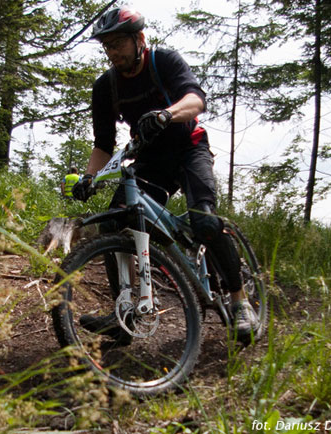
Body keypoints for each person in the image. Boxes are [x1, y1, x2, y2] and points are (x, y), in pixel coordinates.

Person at [71, 6, 259, 343]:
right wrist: (89, 177)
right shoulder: (106, 86)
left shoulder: (164, 62)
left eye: (119, 45)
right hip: (151, 160)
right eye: (108, 47)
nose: (114, 53)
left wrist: (166, 114)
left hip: (189, 149)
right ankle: (125, 310)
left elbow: (195, 100)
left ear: (139, 39)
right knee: (114, 222)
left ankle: (240, 302)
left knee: (203, 220)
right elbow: (103, 144)